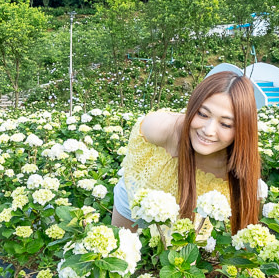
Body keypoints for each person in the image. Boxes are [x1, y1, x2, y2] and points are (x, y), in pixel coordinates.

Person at [111, 71, 261, 234]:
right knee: (121, 248)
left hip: (192, 221)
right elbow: (132, 172)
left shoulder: (235, 167)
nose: (208, 131)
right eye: (203, 114)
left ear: (242, 129)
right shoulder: (161, 128)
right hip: (139, 196)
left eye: (225, 124)